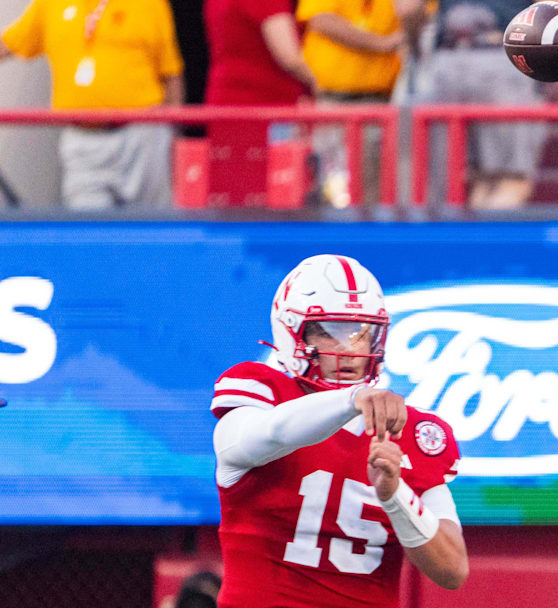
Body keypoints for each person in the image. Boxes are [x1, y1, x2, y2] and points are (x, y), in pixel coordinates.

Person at [211, 255, 467, 607]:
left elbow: (452, 569)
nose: (348, 349)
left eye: (361, 333)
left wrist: (395, 496)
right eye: (328, 331)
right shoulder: (262, 394)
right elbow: (260, 438)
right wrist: (351, 399)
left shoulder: (408, 432)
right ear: (291, 331)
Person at [0, 0, 184, 210]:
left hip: (143, 138)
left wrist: (173, 138)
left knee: (151, 231)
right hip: (83, 141)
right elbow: (8, 43)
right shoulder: (50, 4)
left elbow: (171, 74)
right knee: (87, 229)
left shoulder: (149, 4)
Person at [420, 0, 558, 209]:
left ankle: (472, 241)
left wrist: (414, 47)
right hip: (505, 60)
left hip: (446, 62)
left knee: (479, 181)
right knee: (511, 181)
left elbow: (408, 8)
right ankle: (490, 243)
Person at [297, 0, 423, 207]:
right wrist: (384, 43)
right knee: (331, 189)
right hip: (332, 102)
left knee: (377, 191)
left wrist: (409, 18)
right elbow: (321, 20)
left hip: (383, 103)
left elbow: (420, 19)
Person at [204, 0, 317, 206]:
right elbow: (289, 56)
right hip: (263, 111)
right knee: (272, 199)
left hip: (229, 105)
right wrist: (322, 86)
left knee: (235, 198)